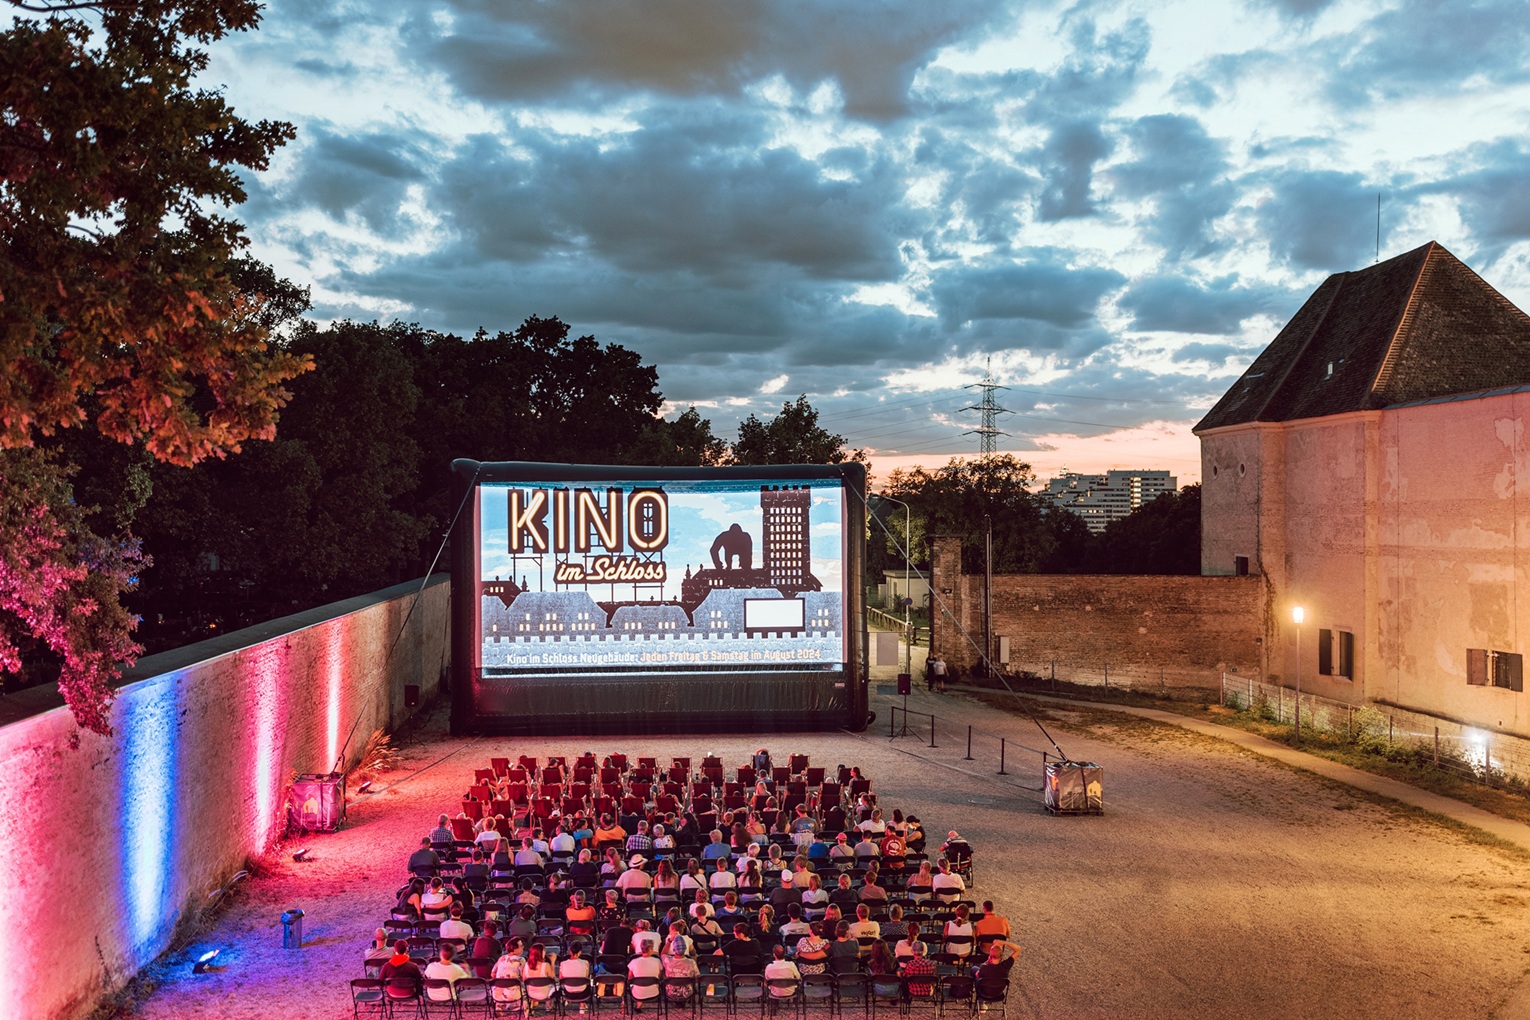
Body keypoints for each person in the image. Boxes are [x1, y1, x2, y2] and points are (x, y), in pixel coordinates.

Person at [626, 940, 663, 1012]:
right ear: (650, 949)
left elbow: (630, 978)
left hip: (637, 994)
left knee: (638, 983)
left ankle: (638, 1005)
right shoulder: (657, 961)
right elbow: (659, 976)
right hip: (654, 992)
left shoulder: (634, 961)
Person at [521, 943, 557, 1013]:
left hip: (530, 994)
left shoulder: (526, 966)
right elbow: (553, 978)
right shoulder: (546, 965)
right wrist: (552, 962)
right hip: (545, 994)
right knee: (556, 984)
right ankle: (549, 1006)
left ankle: (531, 1005)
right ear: (541, 953)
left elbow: (523, 979)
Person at [491, 939, 526, 1008]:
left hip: (497, 994)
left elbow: (492, 974)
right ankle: (526, 1010)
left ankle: (498, 1007)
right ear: (514, 949)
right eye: (521, 946)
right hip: (513, 994)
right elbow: (524, 977)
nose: (523, 947)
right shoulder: (521, 960)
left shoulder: (502, 958)